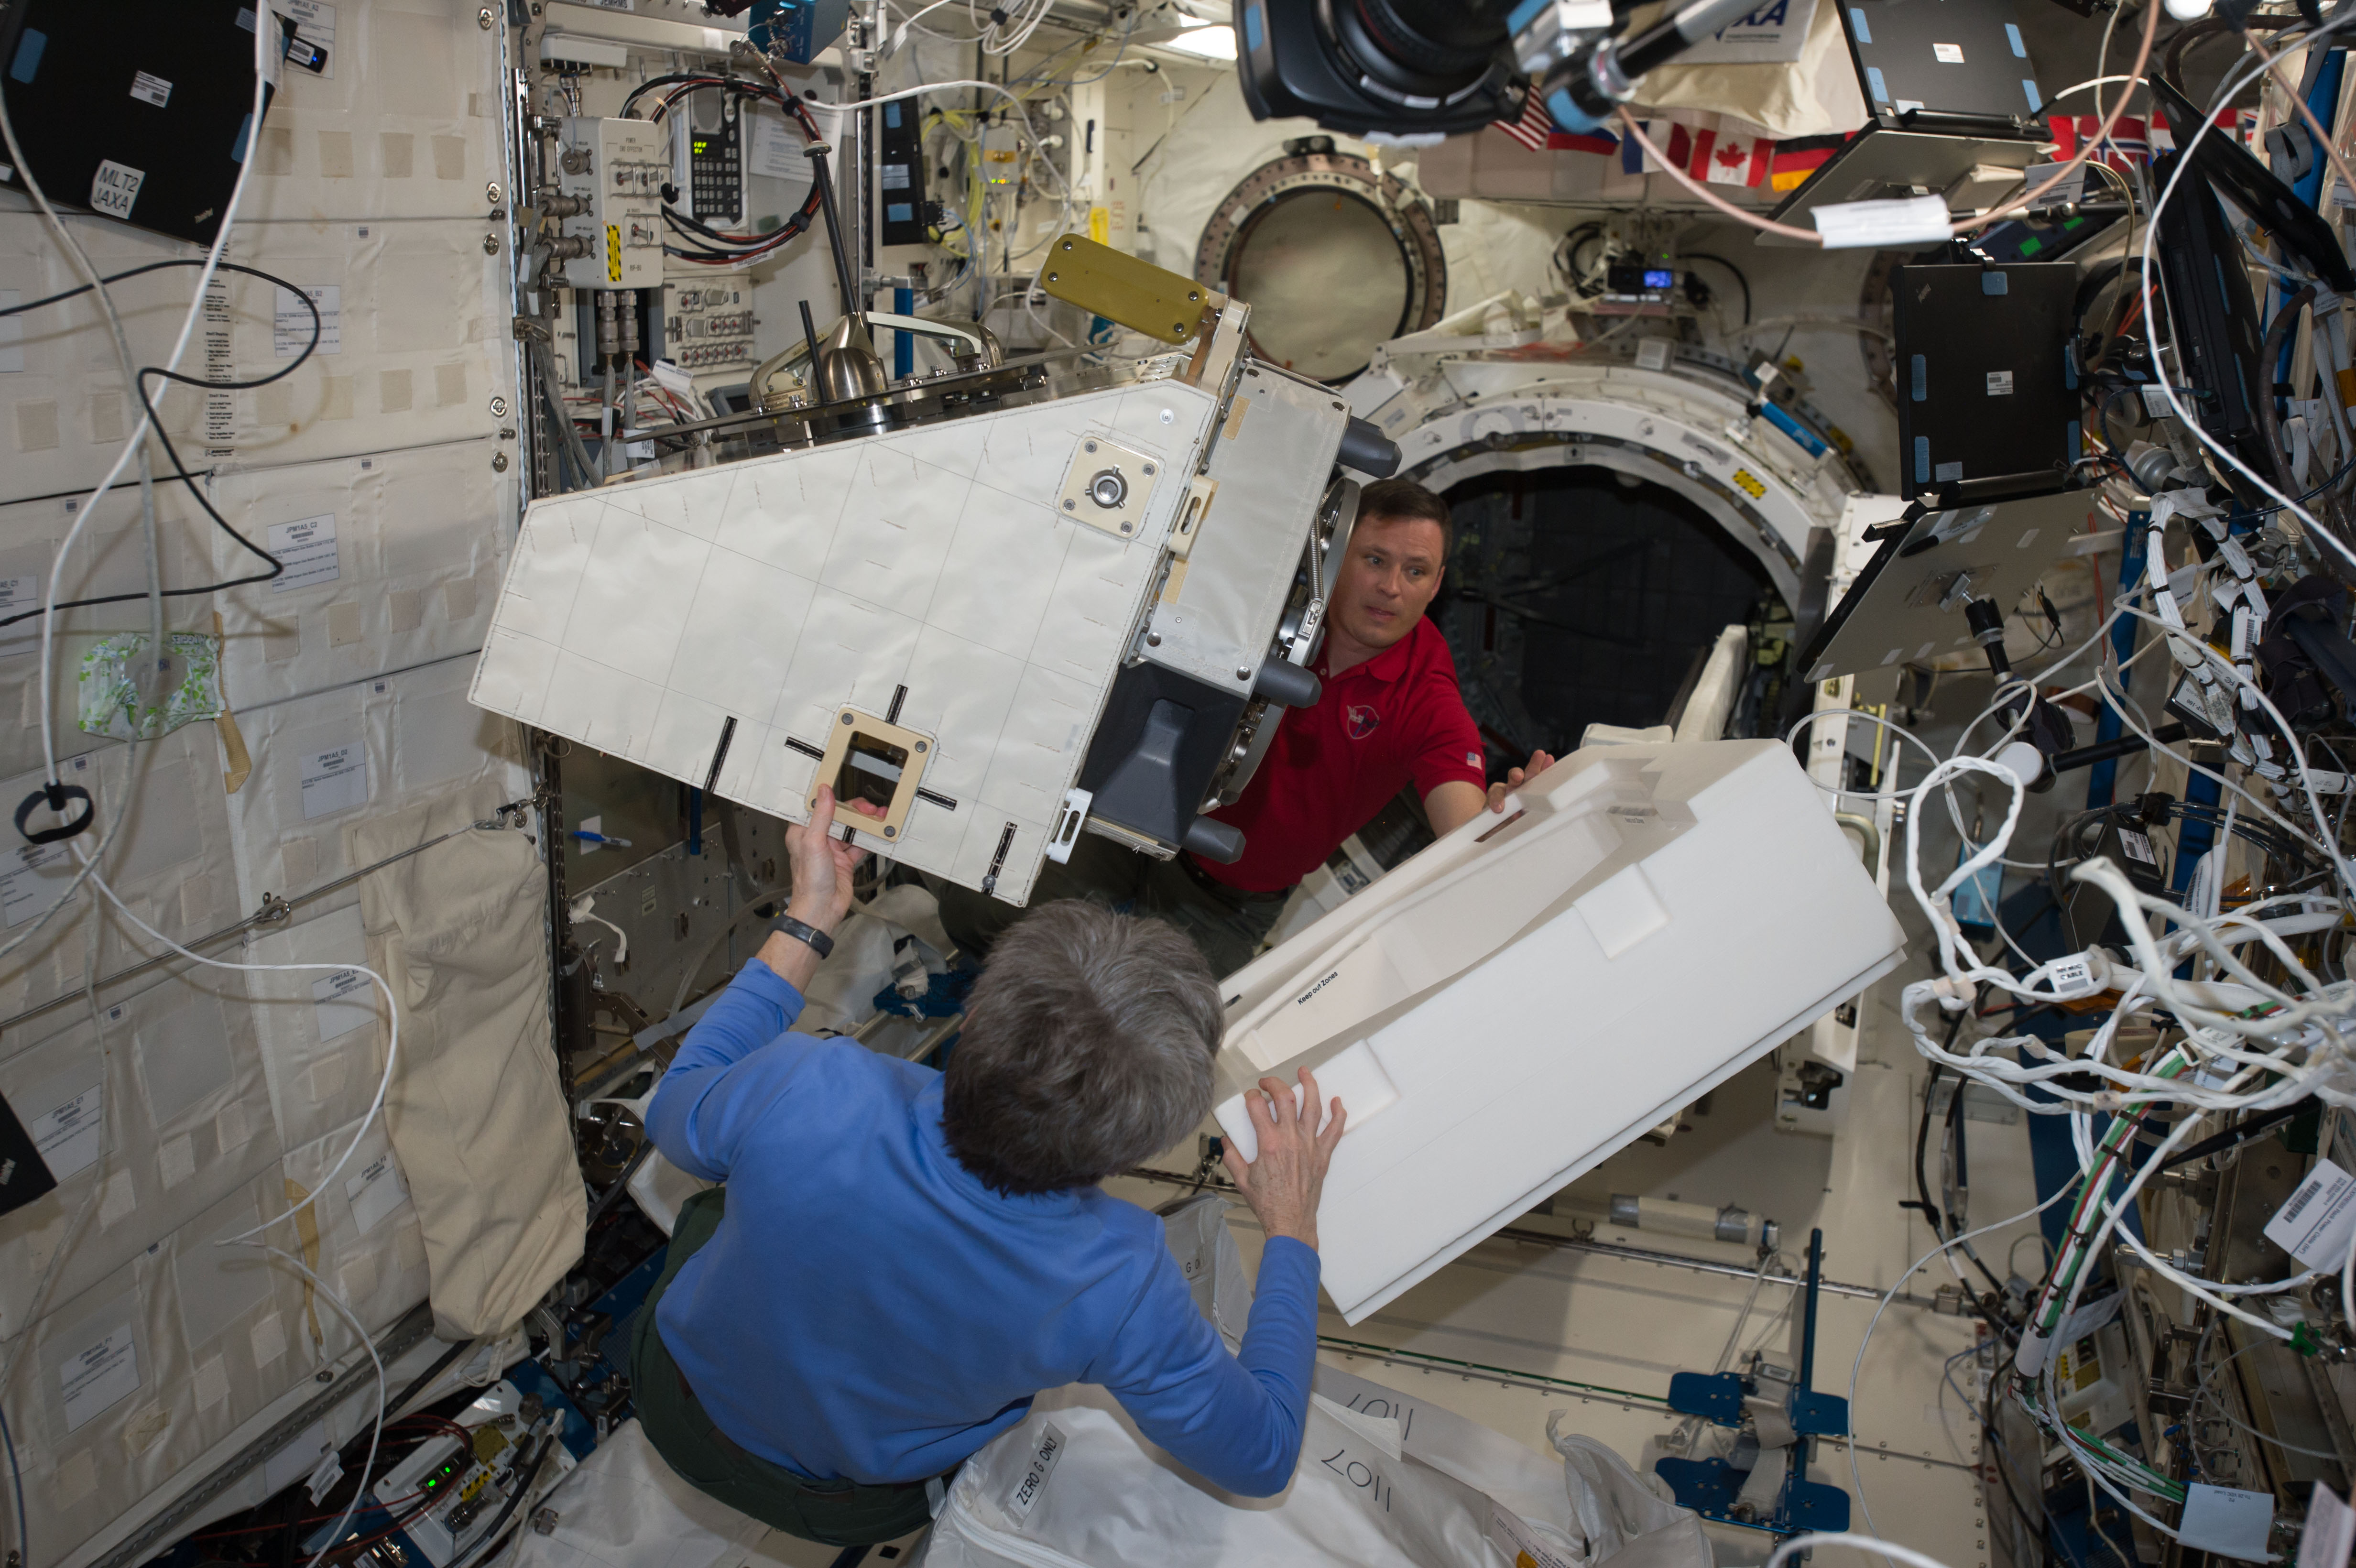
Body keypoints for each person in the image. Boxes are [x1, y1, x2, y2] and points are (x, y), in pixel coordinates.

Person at [629, 786, 1351, 1546]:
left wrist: (809, 919)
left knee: (722, 1192)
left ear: (972, 1017)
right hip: (843, 1503)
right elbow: (1264, 1457)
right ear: (1140, 1145)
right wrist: (1292, 1226)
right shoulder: (1120, 1280)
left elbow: (677, 1107)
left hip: (671, 1400)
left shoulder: (812, 1083)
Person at [938, 478, 1554, 975]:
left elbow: (1463, 825)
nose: (1390, 588)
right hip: (1134, 824)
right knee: (974, 907)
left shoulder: (1427, 696)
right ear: (1339, 560)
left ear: (1438, 583)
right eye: (1373, 560)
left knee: (1139, 1038)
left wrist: (1501, 826)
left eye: (1415, 571)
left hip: (1227, 901)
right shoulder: (1266, 606)